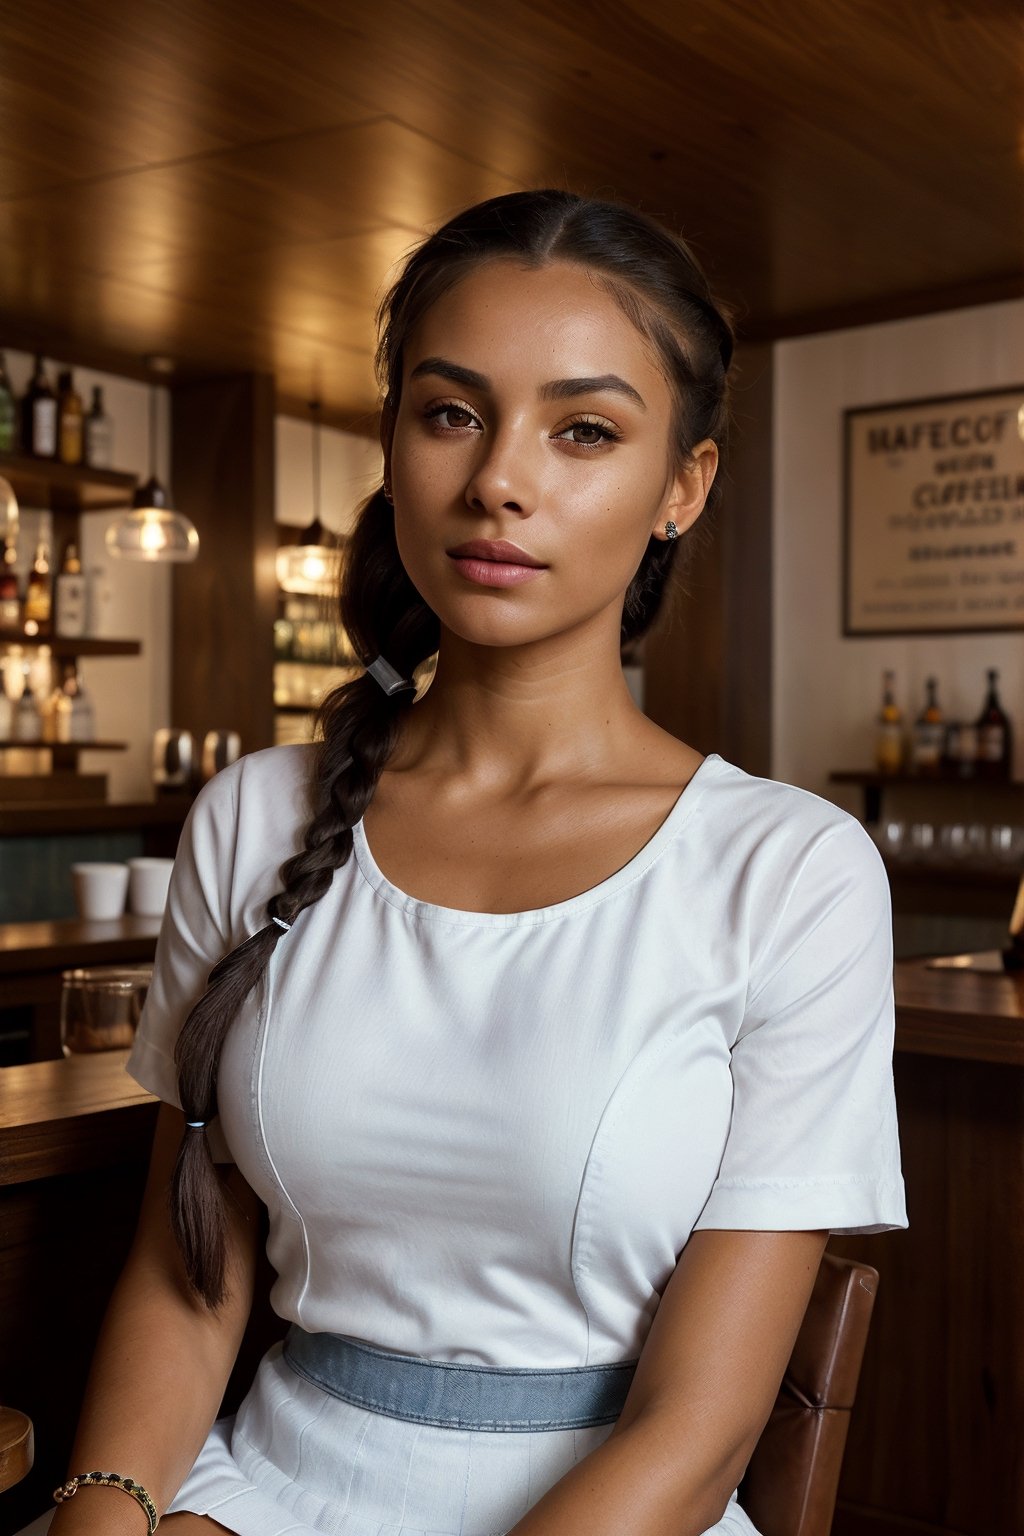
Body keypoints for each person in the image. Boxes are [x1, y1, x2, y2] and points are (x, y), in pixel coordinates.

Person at [45, 189, 906, 1536]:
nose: (499, 477)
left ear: (684, 485)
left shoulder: (790, 872)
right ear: (393, 444)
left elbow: (701, 1427)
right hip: (255, 1492)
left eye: (584, 431)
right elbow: (190, 1267)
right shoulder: (251, 817)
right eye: (451, 412)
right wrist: (108, 1509)